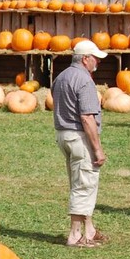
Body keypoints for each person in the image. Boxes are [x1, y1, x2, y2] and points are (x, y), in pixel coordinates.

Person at [52, 40, 108, 246]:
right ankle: (75, 235)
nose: (98, 62)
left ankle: (89, 230)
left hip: (63, 134)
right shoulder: (84, 80)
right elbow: (87, 117)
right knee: (84, 184)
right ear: (85, 59)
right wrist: (98, 149)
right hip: (79, 136)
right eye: (95, 58)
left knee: (79, 181)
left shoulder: (61, 77)